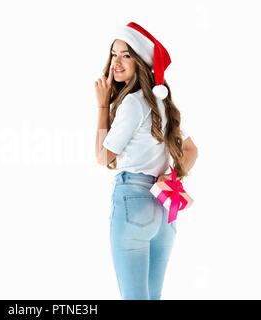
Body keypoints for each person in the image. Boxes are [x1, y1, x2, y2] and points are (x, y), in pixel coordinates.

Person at [94, 22, 198, 300]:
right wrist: (173, 176)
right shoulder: (162, 102)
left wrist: (103, 106)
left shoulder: (131, 103)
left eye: (126, 55)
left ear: (140, 62)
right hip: (163, 207)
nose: (116, 62)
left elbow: (103, 156)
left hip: (132, 202)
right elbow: (191, 150)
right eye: (113, 54)